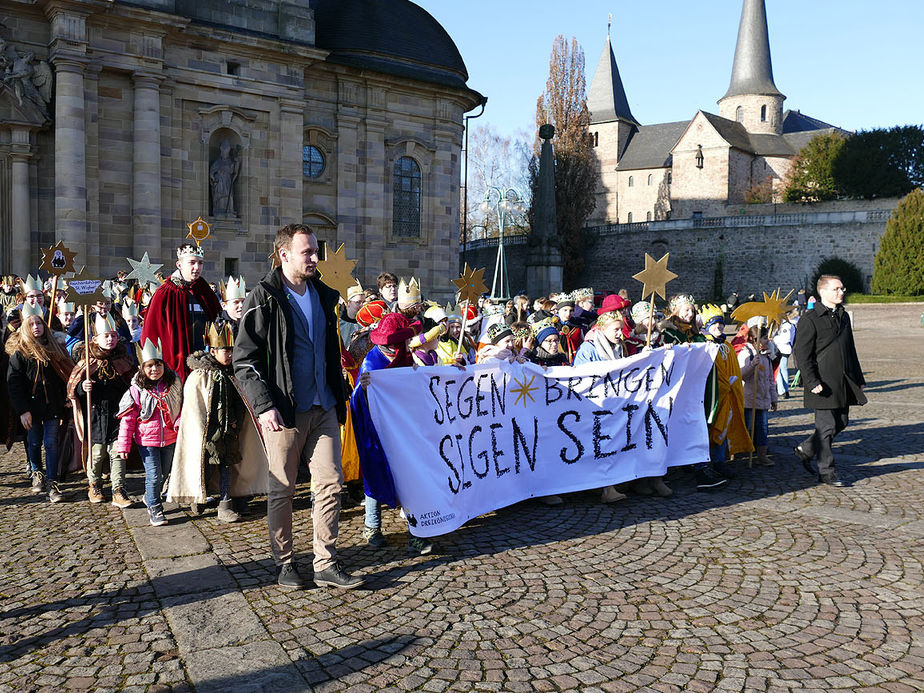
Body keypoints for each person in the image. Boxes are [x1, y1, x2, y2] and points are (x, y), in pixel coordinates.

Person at [234, 223, 360, 589]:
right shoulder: (264, 297)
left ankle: (326, 562)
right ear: (283, 254)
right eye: (307, 252)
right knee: (283, 489)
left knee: (330, 483)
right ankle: (285, 562)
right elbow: (244, 359)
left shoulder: (323, 294)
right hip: (285, 410)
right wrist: (264, 405)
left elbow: (331, 348)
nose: (314, 258)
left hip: (324, 404)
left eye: (315, 251)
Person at [170, 320, 266, 521]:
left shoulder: (234, 372)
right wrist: (200, 431)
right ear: (213, 351)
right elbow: (194, 407)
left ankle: (228, 502)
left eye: (232, 350)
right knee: (206, 466)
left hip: (231, 429)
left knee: (228, 466)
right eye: (225, 351)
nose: (230, 355)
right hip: (208, 431)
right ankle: (198, 497)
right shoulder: (200, 375)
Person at [793, 275, 866, 487]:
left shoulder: (843, 316)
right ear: (823, 292)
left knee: (842, 422)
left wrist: (859, 378)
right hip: (821, 383)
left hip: (842, 381)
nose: (841, 292)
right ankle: (827, 472)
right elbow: (802, 354)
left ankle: (805, 449)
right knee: (826, 428)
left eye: (842, 288)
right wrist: (811, 381)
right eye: (836, 289)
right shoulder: (810, 319)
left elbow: (850, 350)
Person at [5, 304, 73, 501]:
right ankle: (37, 472)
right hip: (31, 408)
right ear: (26, 327)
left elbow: (64, 375)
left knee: (51, 443)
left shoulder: (54, 349)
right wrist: (23, 410)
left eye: (39, 323)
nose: (36, 327)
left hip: (52, 405)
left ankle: (52, 483)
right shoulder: (20, 354)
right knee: (34, 442)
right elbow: (14, 385)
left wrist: (67, 397)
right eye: (31, 324)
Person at [68, 314, 136, 506]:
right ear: (95, 339)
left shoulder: (124, 360)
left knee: (117, 452)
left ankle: (118, 489)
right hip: (95, 416)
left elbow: (133, 385)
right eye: (106, 336)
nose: (110, 339)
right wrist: (83, 387)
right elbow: (72, 388)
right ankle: (94, 485)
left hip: (118, 415)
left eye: (113, 335)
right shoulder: (87, 362)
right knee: (97, 454)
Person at [116, 339, 183, 526]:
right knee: (154, 475)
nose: (155, 369)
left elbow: (180, 407)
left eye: (158, 365)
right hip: (147, 441)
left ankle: (149, 496)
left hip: (169, 438)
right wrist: (123, 445)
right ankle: (155, 508)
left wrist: (178, 422)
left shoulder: (173, 384)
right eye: (150, 366)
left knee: (164, 473)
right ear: (142, 367)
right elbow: (127, 420)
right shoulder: (135, 390)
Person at [141, 243, 222, 382]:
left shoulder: (204, 290)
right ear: (179, 264)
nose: (197, 268)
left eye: (200, 263)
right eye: (192, 263)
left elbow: (218, 322)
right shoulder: (164, 294)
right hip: (176, 366)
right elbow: (150, 334)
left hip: (206, 363)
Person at [737, 325, 777, 467]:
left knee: (763, 428)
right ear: (756, 339)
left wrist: (774, 398)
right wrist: (752, 365)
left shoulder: (766, 357)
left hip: (763, 399)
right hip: (749, 400)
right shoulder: (746, 354)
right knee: (747, 427)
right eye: (765, 337)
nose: (768, 340)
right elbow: (740, 374)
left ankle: (762, 455)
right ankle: (743, 453)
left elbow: (770, 380)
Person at [773, 308, 798, 399]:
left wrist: (774, 339)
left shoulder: (787, 325)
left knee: (779, 370)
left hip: (782, 349)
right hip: (784, 349)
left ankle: (781, 390)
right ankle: (785, 390)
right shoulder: (789, 323)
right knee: (783, 370)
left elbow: (786, 338)